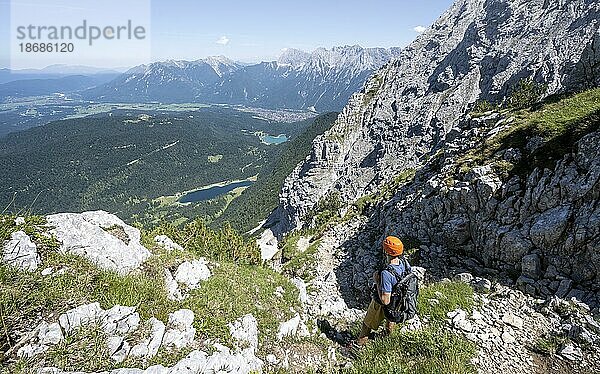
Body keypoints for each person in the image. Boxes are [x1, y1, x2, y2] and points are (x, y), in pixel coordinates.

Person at [356, 235, 412, 345]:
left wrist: (377, 281)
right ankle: (386, 338)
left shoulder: (387, 273)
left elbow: (385, 301)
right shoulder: (404, 262)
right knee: (391, 319)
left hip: (385, 302)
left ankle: (359, 346)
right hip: (399, 300)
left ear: (386, 251)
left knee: (367, 324)